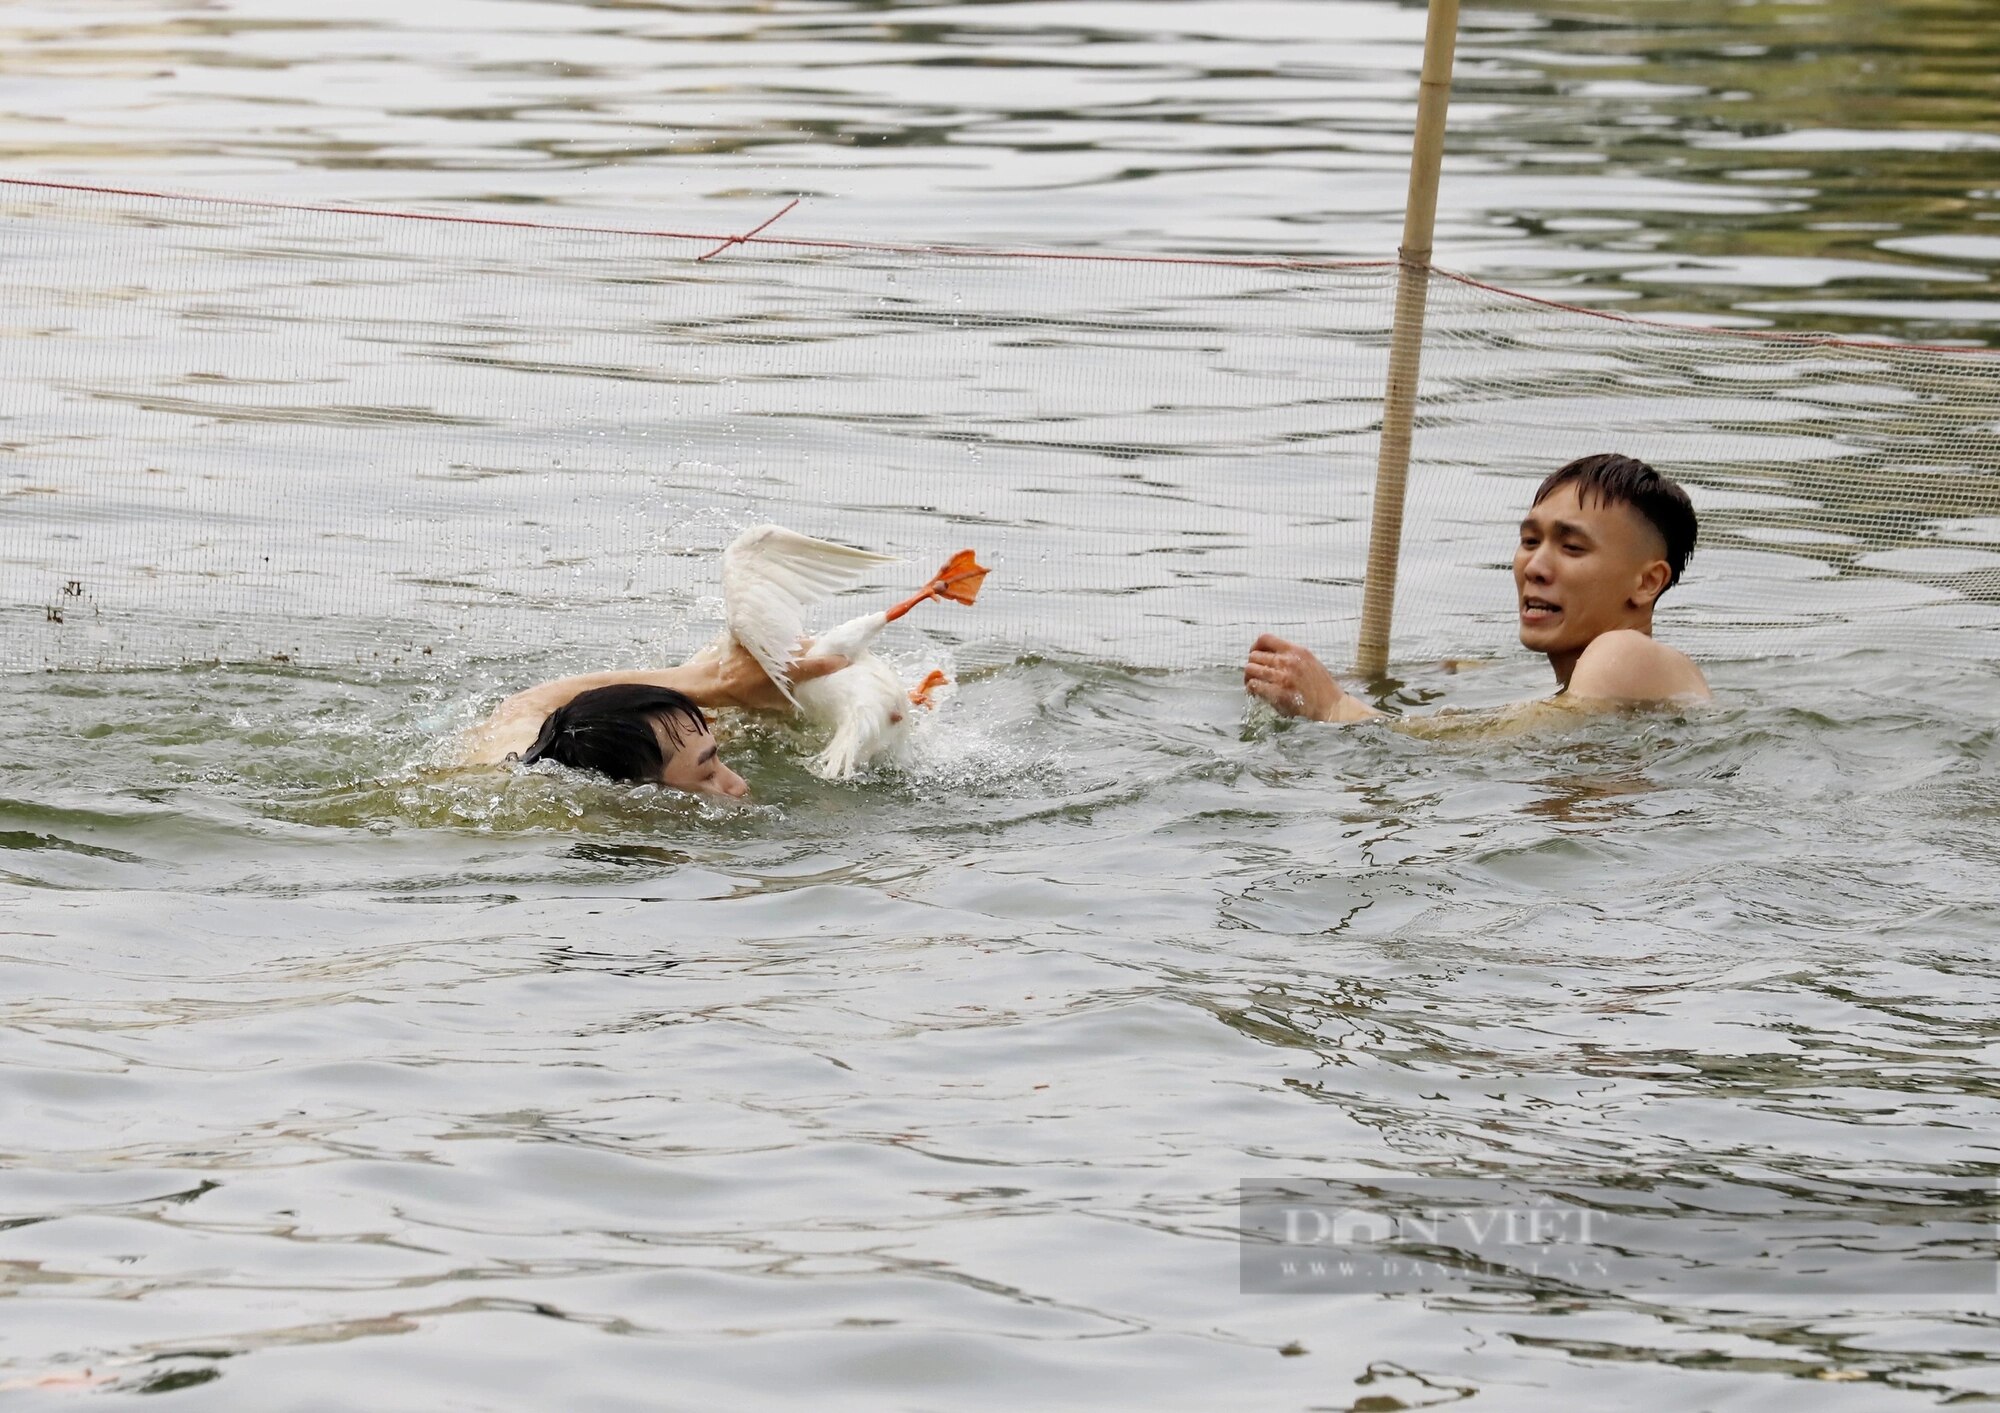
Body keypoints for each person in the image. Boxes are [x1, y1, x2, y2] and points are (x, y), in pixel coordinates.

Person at [1245, 452, 1711, 722]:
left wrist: (1336, 707)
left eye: (1571, 548)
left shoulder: (1624, 652)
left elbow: (1506, 744)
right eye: (1529, 541)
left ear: (1647, 582)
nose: (1535, 567)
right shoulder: (1609, 676)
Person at [457, 638, 851, 799]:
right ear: (632, 794)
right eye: (708, 774)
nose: (738, 783)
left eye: (716, 760)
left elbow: (525, 705)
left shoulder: (520, 749)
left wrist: (711, 683)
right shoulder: (563, 819)